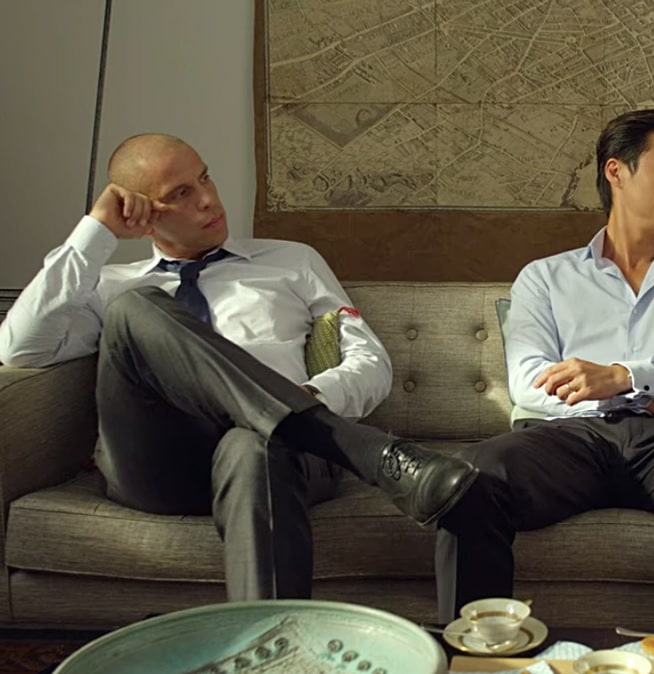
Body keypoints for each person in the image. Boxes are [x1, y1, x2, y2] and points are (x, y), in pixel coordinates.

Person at [0, 133, 478, 601]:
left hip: (277, 458)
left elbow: (369, 362)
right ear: (142, 216)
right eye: (181, 194)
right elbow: (20, 349)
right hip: (160, 467)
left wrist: (309, 399)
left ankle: (268, 639)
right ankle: (366, 452)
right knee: (135, 308)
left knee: (255, 440)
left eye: (205, 178)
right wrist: (97, 232)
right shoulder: (108, 286)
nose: (209, 199)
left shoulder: (291, 261)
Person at [434, 108, 654, 629]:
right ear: (616, 172)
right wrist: (652, 398)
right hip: (572, 438)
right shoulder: (545, 278)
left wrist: (624, 376)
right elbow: (529, 381)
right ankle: (475, 650)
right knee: (468, 479)